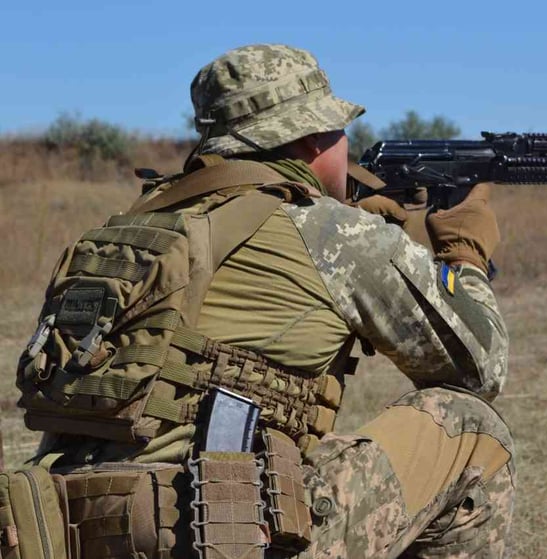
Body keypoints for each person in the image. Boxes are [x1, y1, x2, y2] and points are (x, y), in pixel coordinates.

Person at [19, 43, 513, 558]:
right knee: (469, 424)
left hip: (66, 531)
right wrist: (465, 255)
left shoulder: (134, 229)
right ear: (309, 138)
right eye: (337, 130)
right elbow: (480, 368)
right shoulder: (332, 233)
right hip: (215, 536)